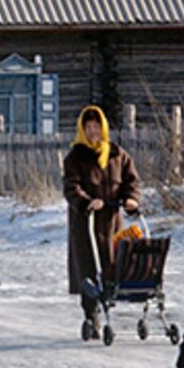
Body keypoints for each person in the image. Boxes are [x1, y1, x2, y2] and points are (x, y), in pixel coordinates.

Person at [63, 105, 141, 338]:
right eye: (89, 128)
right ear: (82, 129)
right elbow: (71, 187)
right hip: (86, 222)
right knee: (88, 267)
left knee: (111, 264)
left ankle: (109, 304)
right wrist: (87, 202)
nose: (93, 131)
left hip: (111, 220)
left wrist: (131, 199)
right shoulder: (75, 156)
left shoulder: (117, 155)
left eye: (97, 127)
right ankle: (91, 315)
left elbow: (132, 181)